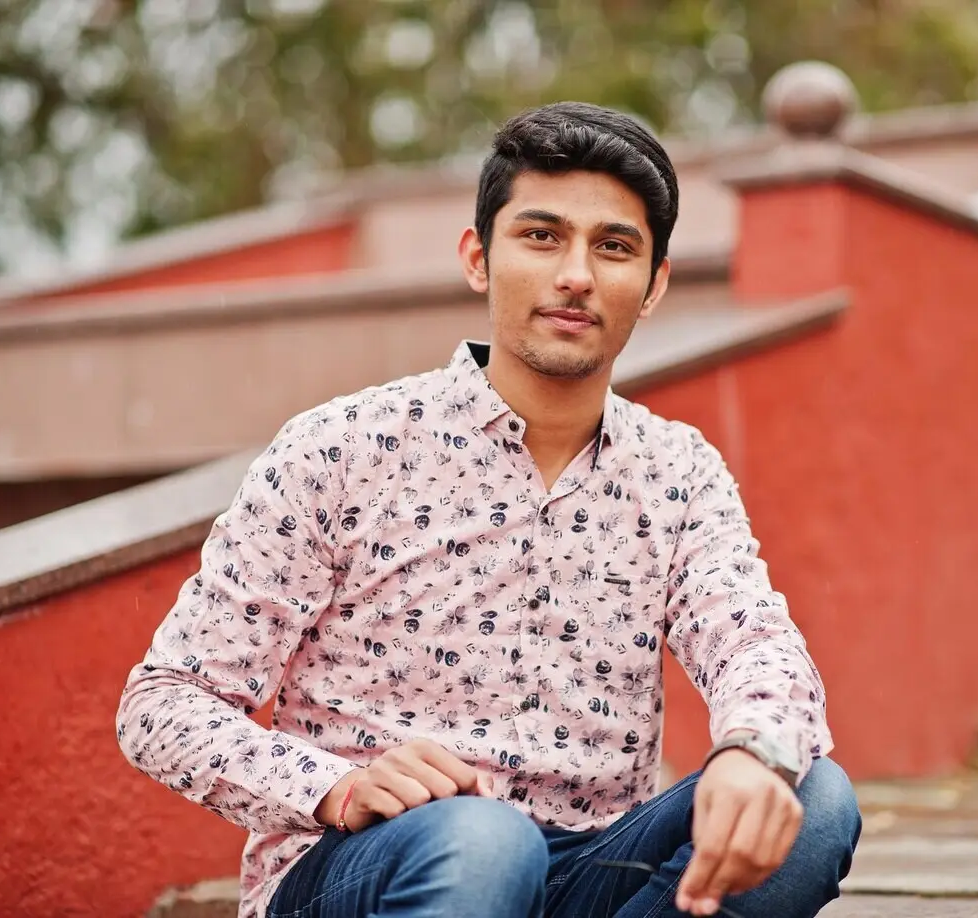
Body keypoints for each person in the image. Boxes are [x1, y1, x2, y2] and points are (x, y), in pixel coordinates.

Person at [116, 101, 860, 918]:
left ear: (653, 288)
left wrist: (754, 750)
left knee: (812, 799)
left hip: (591, 869)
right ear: (479, 258)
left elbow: (754, 641)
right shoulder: (342, 448)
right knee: (483, 842)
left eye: (614, 248)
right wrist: (337, 786)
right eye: (542, 236)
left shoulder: (679, 473)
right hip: (373, 863)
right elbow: (164, 703)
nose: (576, 274)